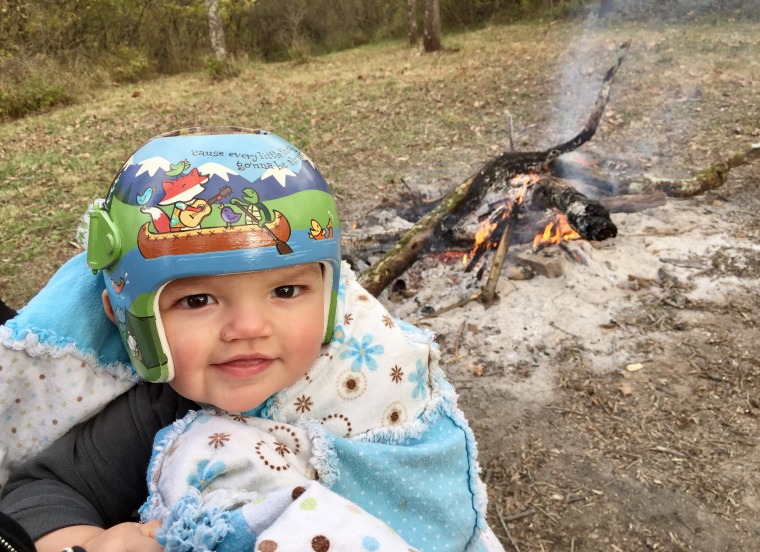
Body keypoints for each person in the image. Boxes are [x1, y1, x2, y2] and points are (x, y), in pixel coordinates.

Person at [0, 127, 505, 552]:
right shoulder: (155, 408)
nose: (249, 329)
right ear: (127, 320)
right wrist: (89, 541)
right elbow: (37, 492)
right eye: (197, 301)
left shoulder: (372, 372)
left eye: (286, 290)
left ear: (331, 301)